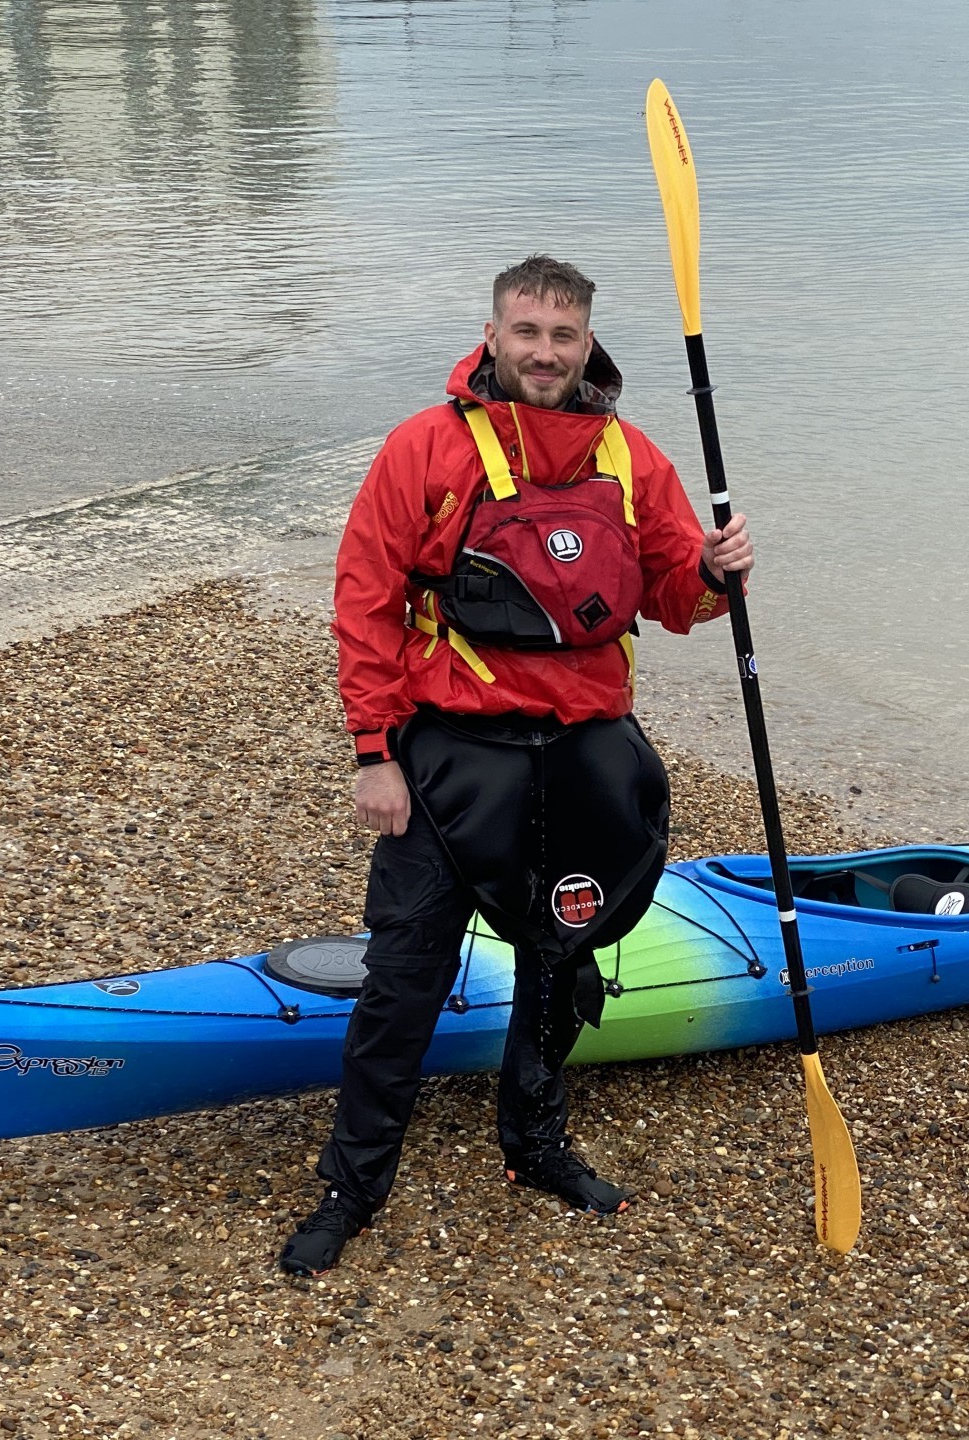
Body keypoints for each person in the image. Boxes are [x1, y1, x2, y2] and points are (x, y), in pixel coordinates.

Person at [278, 255, 750, 1277]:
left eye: (563, 335)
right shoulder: (426, 447)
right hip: (452, 758)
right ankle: (352, 1189)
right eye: (526, 331)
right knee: (403, 981)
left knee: (557, 963)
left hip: (583, 757)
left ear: (588, 344)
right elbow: (365, 602)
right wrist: (374, 752)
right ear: (492, 336)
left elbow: (676, 600)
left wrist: (718, 574)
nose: (544, 352)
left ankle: (534, 1146)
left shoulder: (632, 459)